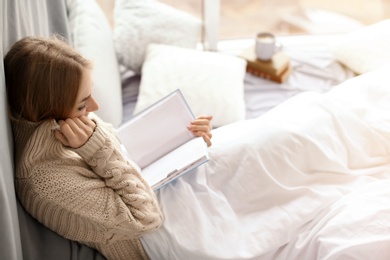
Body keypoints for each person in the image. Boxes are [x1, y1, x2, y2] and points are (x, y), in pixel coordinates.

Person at [4, 35, 213, 260]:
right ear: (49, 108)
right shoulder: (43, 182)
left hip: (167, 187)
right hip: (166, 238)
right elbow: (146, 218)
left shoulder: (68, 123)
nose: (95, 107)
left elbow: (118, 144)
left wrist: (183, 136)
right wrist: (95, 149)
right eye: (83, 104)